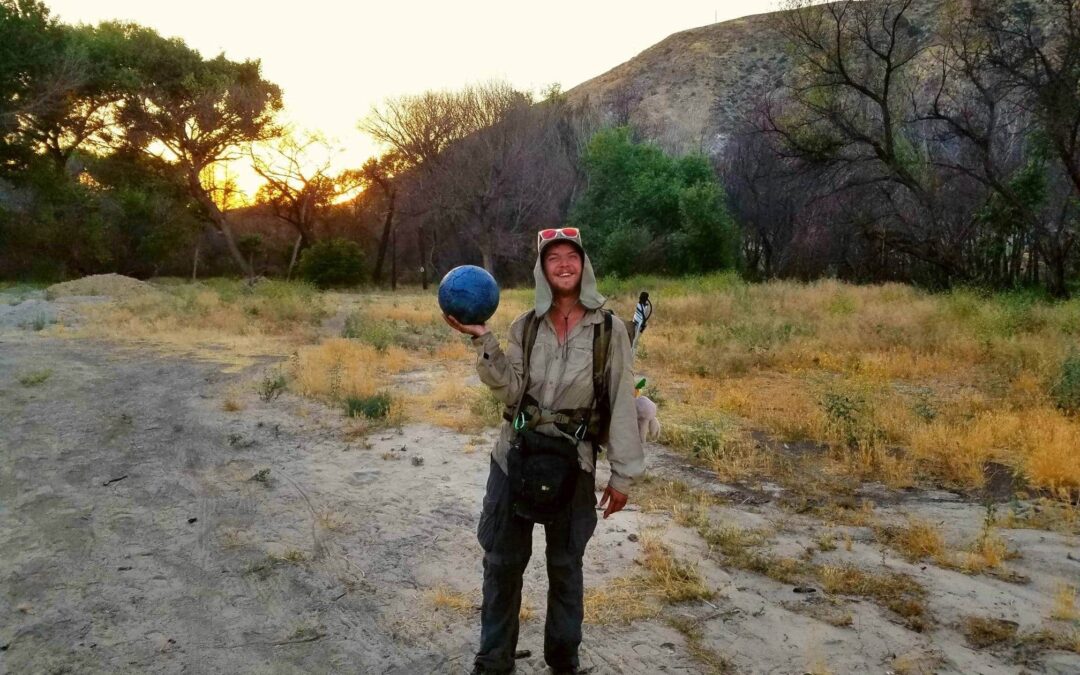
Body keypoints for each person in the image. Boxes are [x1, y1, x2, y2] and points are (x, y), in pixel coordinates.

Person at [444, 227, 644, 675]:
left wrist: (624, 475)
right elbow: (510, 391)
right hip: (514, 457)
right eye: (553, 257)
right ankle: (493, 660)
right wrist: (483, 339)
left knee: (566, 567)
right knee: (501, 563)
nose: (564, 264)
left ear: (584, 264)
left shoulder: (610, 330)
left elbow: (623, 402)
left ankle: (563, 661)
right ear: (542, 269)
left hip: (574, 463)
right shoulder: (524, 326)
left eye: (571, 255)